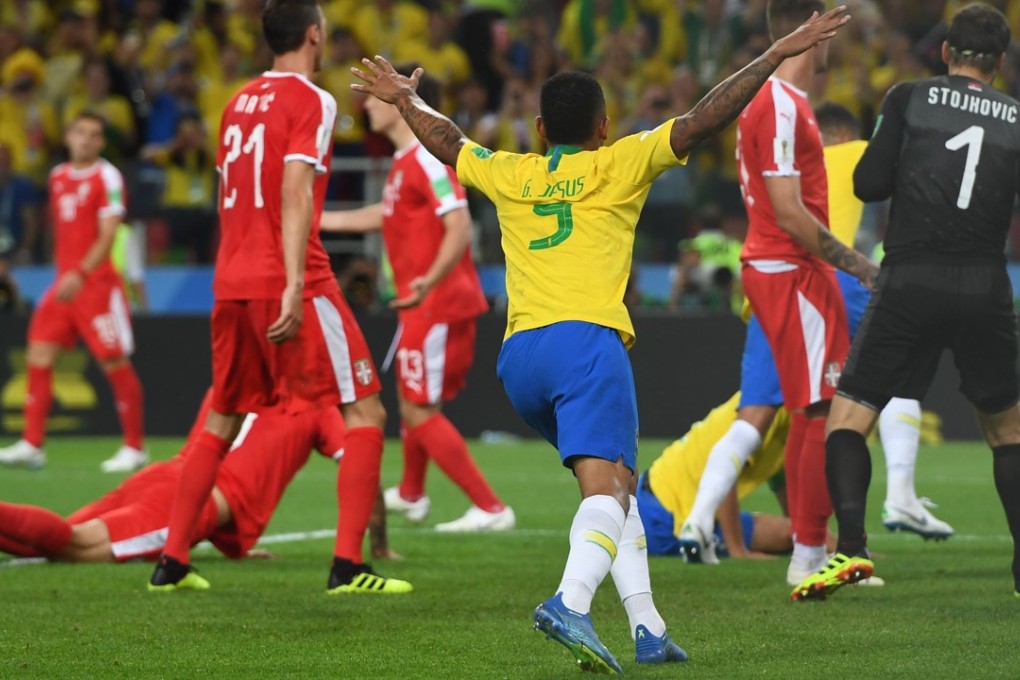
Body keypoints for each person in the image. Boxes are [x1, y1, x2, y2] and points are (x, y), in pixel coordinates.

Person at [351, 5, 852, 672]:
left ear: (537, 130)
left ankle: (648, 629)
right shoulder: (620, 163)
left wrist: (407, 99)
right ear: (605, 125)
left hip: (521, 358)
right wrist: (771, 57)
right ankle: (571, 602)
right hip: (587, 346)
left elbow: (447, 141)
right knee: (608, 495)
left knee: (620, 482)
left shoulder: (511, 172)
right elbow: (704, 117)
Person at [149, 0, 408, 596]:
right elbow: (295, 190)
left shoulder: (236, 102)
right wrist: (294, 280)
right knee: (365, 410)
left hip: (231, 278)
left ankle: (172, 561)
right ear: (315, 35)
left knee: (222, 416)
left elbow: (228, 193)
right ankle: (347, 567)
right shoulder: (314, 99)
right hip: (294, 277)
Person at [795, 3, 1020, 601]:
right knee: (1007, 429)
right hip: (983, 283)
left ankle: (852, 549)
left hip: (910, 277)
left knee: (849, 416)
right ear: (999, 64)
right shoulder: (1017, 118)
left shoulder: (909, 97)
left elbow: (867, 184)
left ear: (946, 52)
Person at [677, 101, 954, 572]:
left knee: (753, 417)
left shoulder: (782, 166)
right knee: (868, 396)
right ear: (844, 134)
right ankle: (898, 497)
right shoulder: (857, 153)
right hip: (828, 280)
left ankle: (698, 520)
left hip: (768, 284)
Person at [320, 67, 514, 533]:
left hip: (438, 302)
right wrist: (320, 220)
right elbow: (384, 215)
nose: (365, 105)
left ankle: (490, 508)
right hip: (425, 303)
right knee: (414, 401)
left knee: (417, 409)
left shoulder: (428, 162)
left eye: (372, 98)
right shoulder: (406, 162)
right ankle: (411, 493)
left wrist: (428, 280)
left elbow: (460, 224)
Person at [735, 0, 878, 590]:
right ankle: (809, 556)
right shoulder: (783, 105)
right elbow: (791, 212)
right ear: (815, 30)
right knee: (822, 408)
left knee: (808, 410)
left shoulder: (774, 100)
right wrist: (860, 265)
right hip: (792, 269)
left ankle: (807, 548)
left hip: (785, 268)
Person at [0, 391, 399, 565]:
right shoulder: (317, 404)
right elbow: (361, 471)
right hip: (194, 503)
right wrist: (378, 546)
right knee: (75, 548)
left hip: (164, 476)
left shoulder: (233, 379)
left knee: (50, 541)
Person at [0, 112, 147, 474]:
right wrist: (64, 272)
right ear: (68, 137)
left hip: (95, 285)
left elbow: (108, 232)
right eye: (81, 133)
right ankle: (33, 444)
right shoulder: (57, 176)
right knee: (38, 352)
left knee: (114, 361)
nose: (87, 140)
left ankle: (134, 447)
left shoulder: (108, 176)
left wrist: (81, 272)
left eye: (95, 135)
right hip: (63, 285)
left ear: (101, 142)